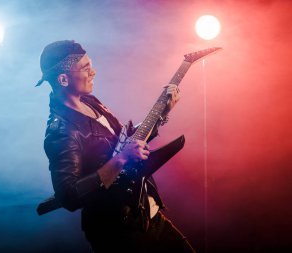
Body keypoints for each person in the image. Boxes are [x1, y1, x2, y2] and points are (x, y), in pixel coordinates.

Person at [36, 40, 196, 253]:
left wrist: (162, 113)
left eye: (90, 64)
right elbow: (69, 196)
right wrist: (121, 160)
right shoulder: (61, 132)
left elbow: (125, 141)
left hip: (146, 215)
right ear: (63, 79)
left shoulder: (90, 101)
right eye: (85, 68)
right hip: (118, 233)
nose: (93, 72)